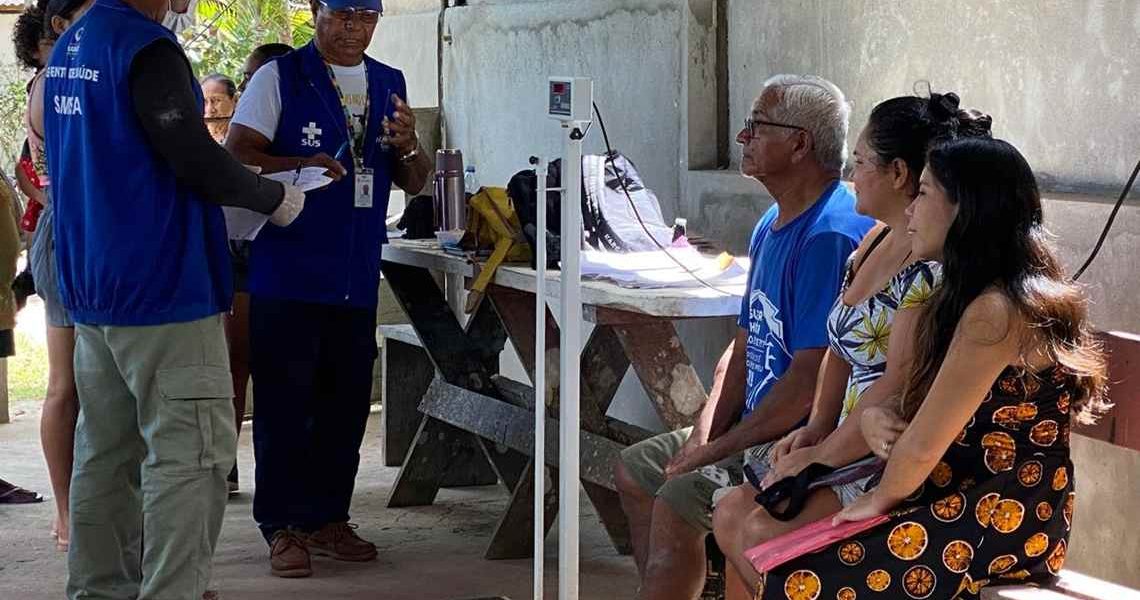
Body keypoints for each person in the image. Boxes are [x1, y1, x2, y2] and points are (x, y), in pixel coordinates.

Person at [752, 136, 1108, 600]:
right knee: (778, 558)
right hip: (957, 499)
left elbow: (921, 448)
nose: (911, 210)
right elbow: (921, 406)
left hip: (999, 515)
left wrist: (876, 501)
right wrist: (877, 418)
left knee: (798, 582)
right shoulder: (963, 298)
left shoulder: (996, 312)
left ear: (967, 210)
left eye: (922, 194)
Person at [43, 0, 307, 596]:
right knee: (189, 458)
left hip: (96, 288)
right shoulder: (146, 48)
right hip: (161, 286)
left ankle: (99, 590)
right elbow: (196, 159)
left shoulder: (73, 45)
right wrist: (276, 199)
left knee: (106, 455)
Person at [712, 92, 992, 592]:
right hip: (844, 439)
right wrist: (816, 428)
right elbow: (837, 349)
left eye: (860, 163)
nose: (850, 176)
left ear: (898, 173)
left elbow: (895, 386)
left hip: (880, 455)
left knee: (759, 533)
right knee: (730, 514)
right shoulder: (873, 241)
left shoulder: (928, 269)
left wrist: (820, 457)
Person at [613, 75, 874, 600]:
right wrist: (703, 437)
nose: (742, 137)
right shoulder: (772, 220)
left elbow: (807, 386)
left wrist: (717, 450)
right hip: (751, 425)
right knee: (635, 470)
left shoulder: (830, 235)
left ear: (799, 143)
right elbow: (742, 345)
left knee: (677, 498)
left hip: (796, 439)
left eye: (757, 126)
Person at [226, 0, 432, 579]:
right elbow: (236, 154)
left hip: (354, 273)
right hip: (288, 270)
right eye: (342, 14)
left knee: (345, 405)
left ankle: (327, 518)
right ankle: (281, 526)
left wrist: (409, 145)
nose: (353, 28)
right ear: (316, 11)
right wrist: (299, 162)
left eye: (366, 16)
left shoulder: (388, 81)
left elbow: (414, 181)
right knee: (284, 404)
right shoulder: (280, 77)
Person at [24, 0, 92, 554]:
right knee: (66, 384)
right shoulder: (57, 81)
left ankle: (80, 514)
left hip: (75, 226)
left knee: (86, 384)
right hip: (70, 230)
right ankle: (68, 513)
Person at [223, 41, 292, 496]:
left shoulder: (292, 123)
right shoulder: (244, 127)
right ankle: (225, 463)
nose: (248, 86)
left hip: (281, 246)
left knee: (271, 365)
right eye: (246, 78)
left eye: (255, 77)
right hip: (242, 247)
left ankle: (279, 473)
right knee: (236, 361)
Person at [202, 73, 237, 144]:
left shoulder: (242, 136)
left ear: (235, 100)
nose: (209, 109)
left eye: (217, 100)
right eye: (204, 101)